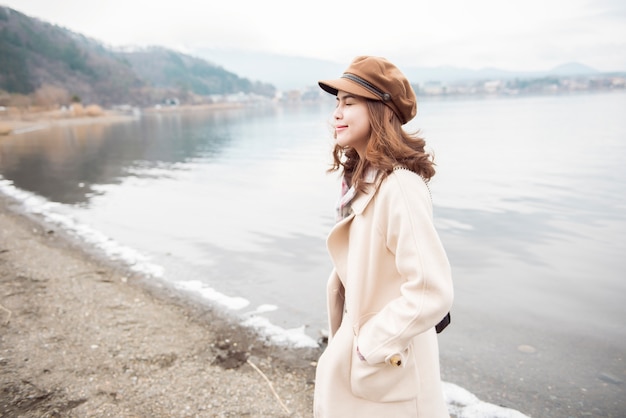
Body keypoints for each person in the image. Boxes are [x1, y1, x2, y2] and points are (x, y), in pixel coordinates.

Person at [313, 56, 454, 417]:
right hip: (370, 366)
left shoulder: (400, 187)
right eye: (336, 103)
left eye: (349, 102)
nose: (336, 114)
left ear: (380, 110)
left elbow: (430, 289)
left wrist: (370, 345)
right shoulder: (362, 183)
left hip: (389, 373)